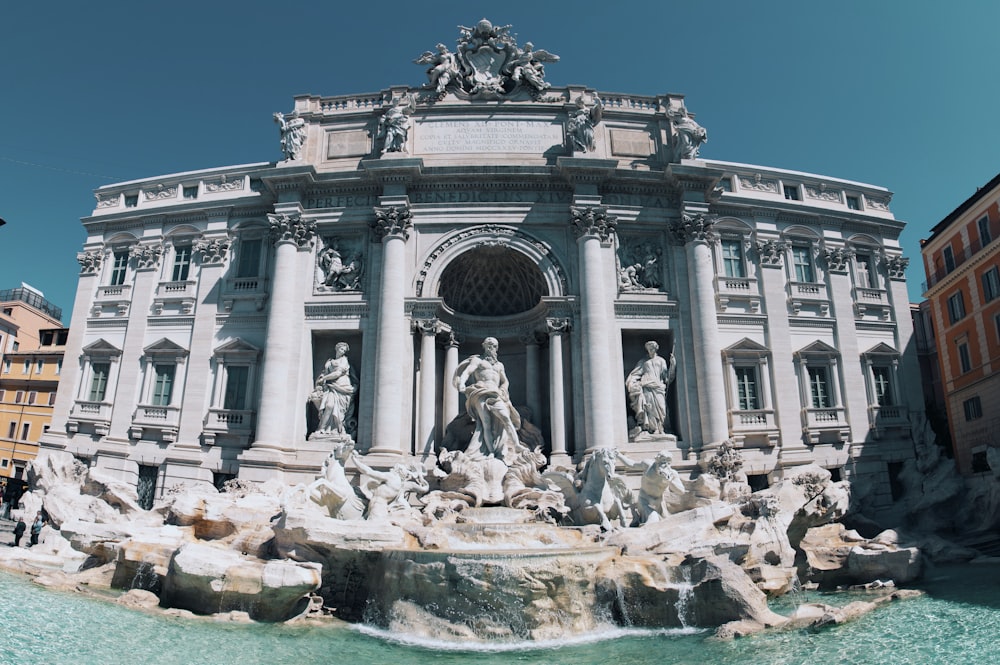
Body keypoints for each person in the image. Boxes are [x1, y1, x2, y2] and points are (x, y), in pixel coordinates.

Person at [453, 337, 524, 461]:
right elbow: (467, 372)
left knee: (506, 418)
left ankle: (517, 444)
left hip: (496, 394)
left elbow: (505, 381)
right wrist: (462, 383)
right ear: (484, 346)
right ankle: (490, 451)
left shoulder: (499, 365)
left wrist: (503, 389)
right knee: (486, 422)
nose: (492, 347)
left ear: (497, 348)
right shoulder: (478, 360)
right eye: (489, 345)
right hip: (480, 392)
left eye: (494, 345)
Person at [626, 341, 677, 436]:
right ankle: (653, 429)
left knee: (662, 408)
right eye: (649, 349)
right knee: (649, 408)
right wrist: (632, 383)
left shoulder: (661, 361)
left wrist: (673, 365)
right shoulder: (643, 362)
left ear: (656, 348)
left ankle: (661, 428)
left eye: (652, 348)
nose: (650, 351)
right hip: (646, 386)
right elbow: (635, 374)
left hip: (658, 387)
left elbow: (666, 378)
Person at [310, 342, 357, 437]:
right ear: (337, 348)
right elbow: (325, 372)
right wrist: (322, 378)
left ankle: (337, 430)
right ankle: (321, 429)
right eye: (341, 349)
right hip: (331, 387)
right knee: (329, 405)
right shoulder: (329, 361)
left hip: (343, 387)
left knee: (339, 411)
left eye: (344, 350)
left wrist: (324, 378)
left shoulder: (344, 361)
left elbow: (337, 374)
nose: (342, 351)